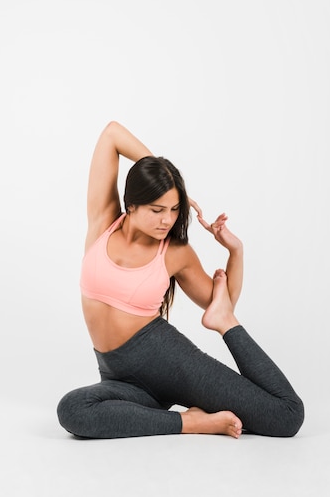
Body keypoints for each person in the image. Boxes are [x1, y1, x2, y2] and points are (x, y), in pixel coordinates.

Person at [57, 121, 304, 439]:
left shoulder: (174, 251)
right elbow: (112, 134)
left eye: (175, 208)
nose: (168, 219)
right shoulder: (103, 221)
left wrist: (235, 252)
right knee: (73, 410)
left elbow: (220, 297)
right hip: (119, 377)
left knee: (286, 416)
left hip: (168, 362)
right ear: (131, 205)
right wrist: (161, 174)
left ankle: (225, 325)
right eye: (157, 208)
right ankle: (192, 423)